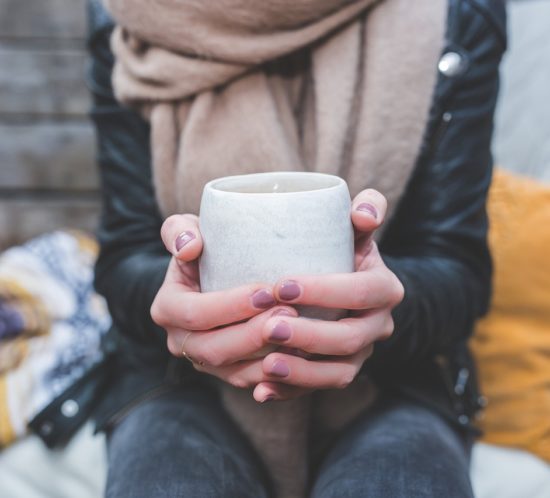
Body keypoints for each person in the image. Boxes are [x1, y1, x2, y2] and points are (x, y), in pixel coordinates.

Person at [87, 0, 506, 496]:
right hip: (174, 381)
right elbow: (123, 257)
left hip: (396, 384)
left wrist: (376, 308)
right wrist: (179, 302)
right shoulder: (134, 13)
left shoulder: (455, 12)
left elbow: (459, 269)